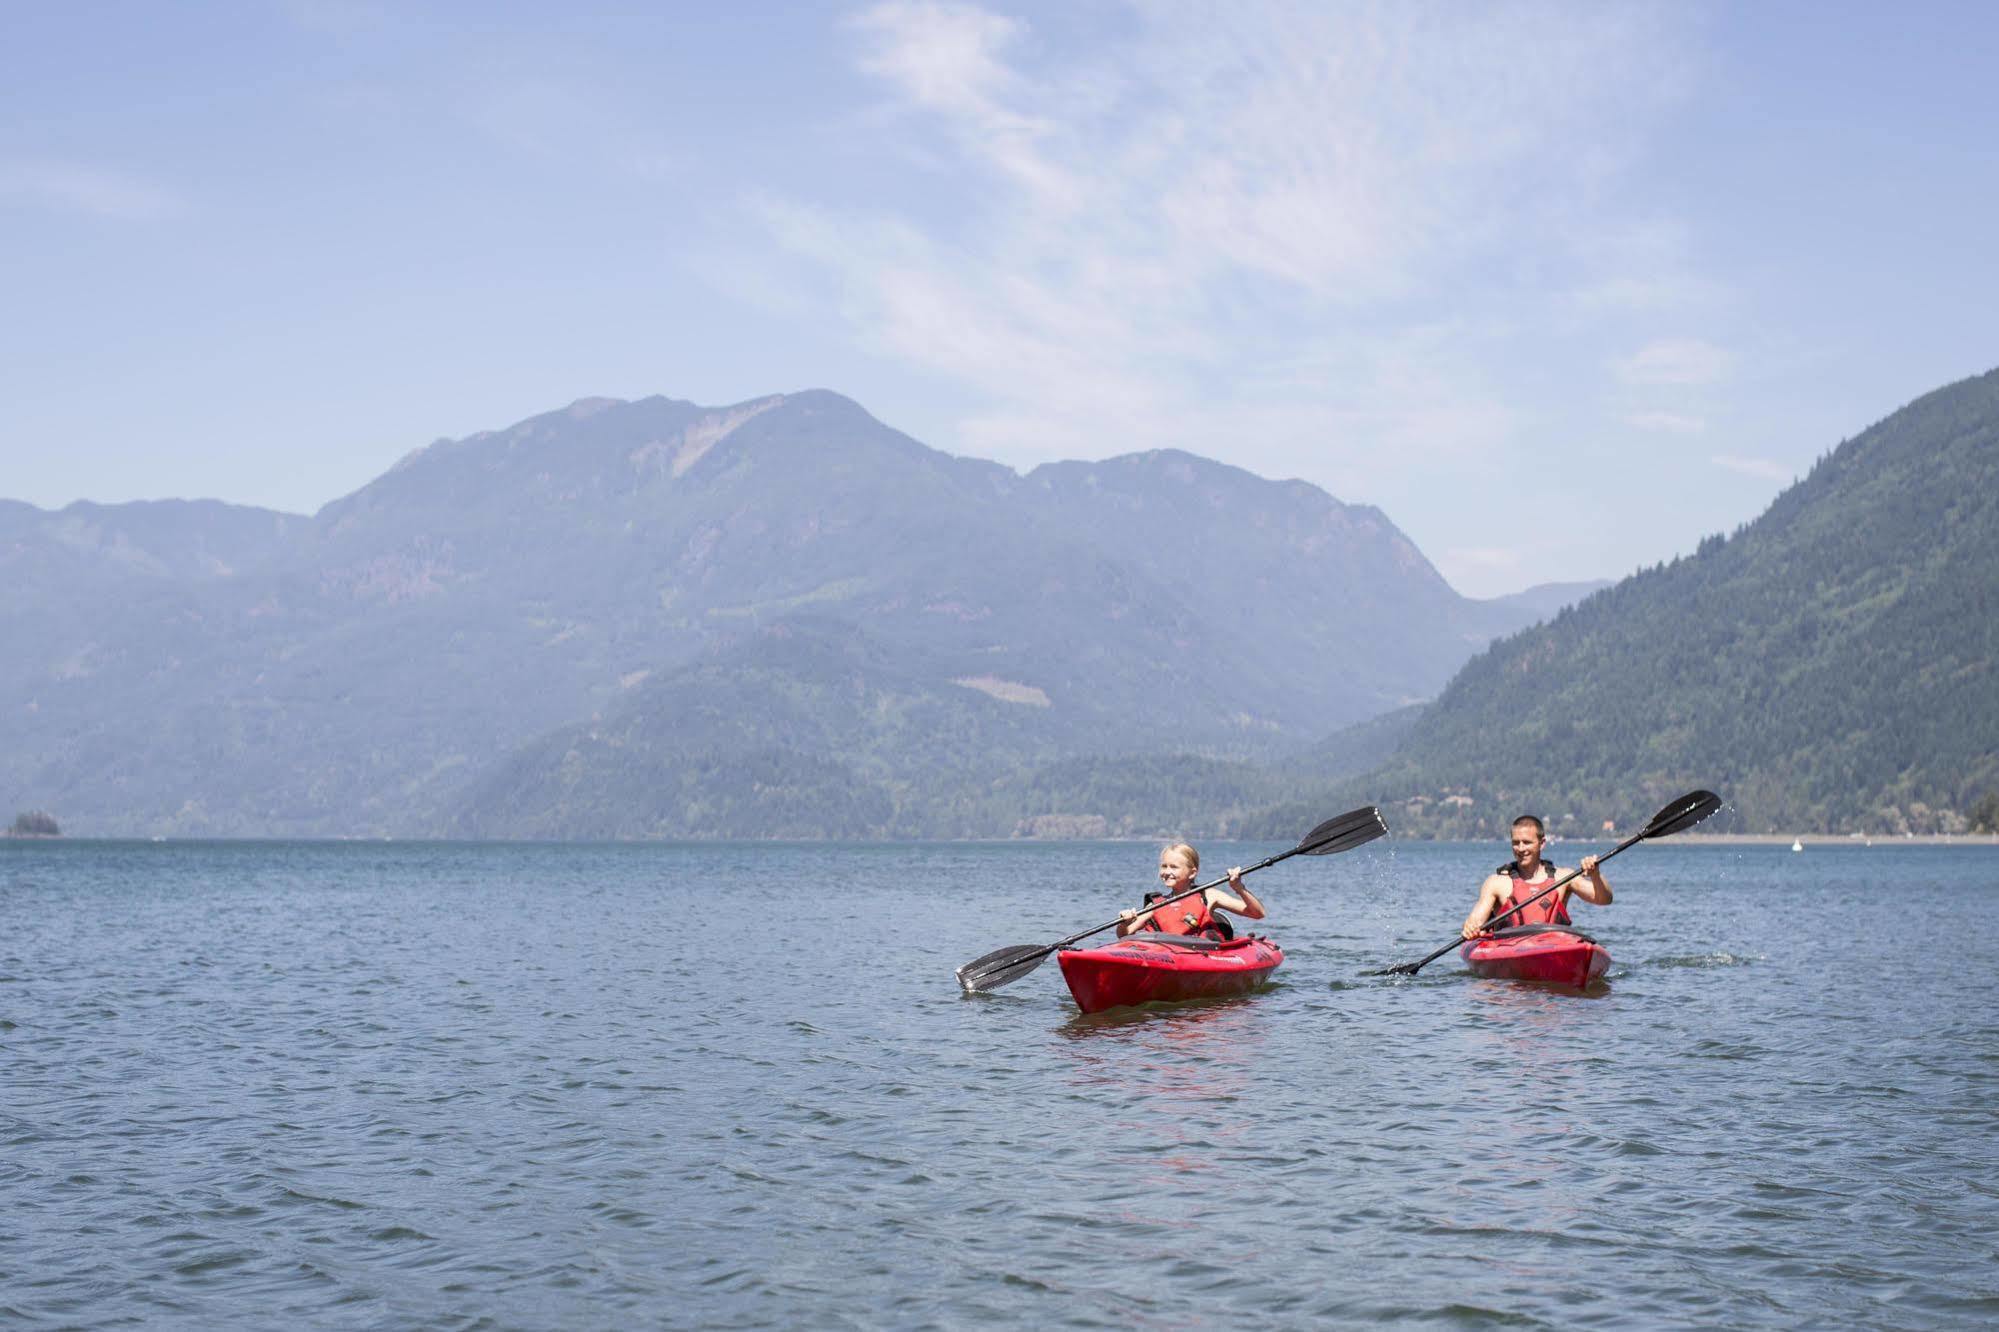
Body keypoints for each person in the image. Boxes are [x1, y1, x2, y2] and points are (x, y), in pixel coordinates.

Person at [1461, 815, 1611, 939]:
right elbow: (1475, 921)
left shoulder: (1564, 877)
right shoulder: (1496, 883)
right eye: (1515, 843)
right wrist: (1470, 928)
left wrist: (1595, 875)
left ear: (1542, 843)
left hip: (1553, 949)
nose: (1520, 849)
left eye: (1526, 842)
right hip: (1510, 950)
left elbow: (1604, 899)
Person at [1117, 842, 1265, 940]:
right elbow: (1124, 935)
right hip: (1168, 957)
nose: (1167, 872)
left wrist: (1239, 889)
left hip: (1202, 955)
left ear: (1192, 873)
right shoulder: (1155, 904)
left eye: (1174, 867)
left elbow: (1257, 914)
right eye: (1164, 866)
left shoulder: (1209, 896)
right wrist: (1124, 923)